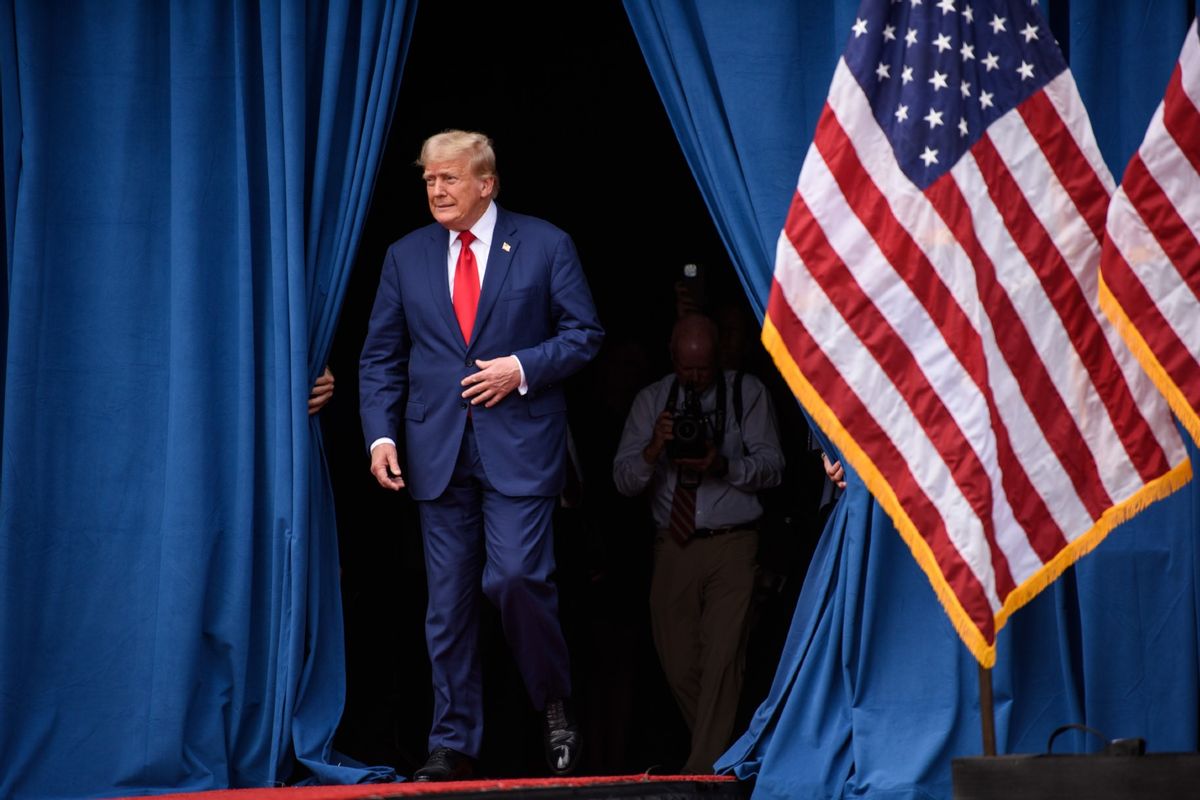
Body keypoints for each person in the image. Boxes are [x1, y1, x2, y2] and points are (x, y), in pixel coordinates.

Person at [358, 130, 603, 781]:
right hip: (434, 450)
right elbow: (381, 354)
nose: (436, 190)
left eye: (449, 179)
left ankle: (553, 704)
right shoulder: (405, 255)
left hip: (519, 445)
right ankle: (453, 741)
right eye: (429, 180)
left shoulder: (545, 244)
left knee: (517, 578)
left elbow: (585, 334)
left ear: (486, 183)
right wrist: (380, 436)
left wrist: (521, 368)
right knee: (448, 607)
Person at [612, 314, 784, 773]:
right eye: (687, 369)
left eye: (703, 369)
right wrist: (654, 448)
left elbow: (774, 467)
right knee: (680, 660)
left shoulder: (747, 393)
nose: (694, 379)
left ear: (719, 359)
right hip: (673, 544)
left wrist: (725, 464)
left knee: (724, 659)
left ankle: (701, 773)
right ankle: (735, 755)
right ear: (672, 359)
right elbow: (623, 480)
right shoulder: (652, 401)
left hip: (733, 543)